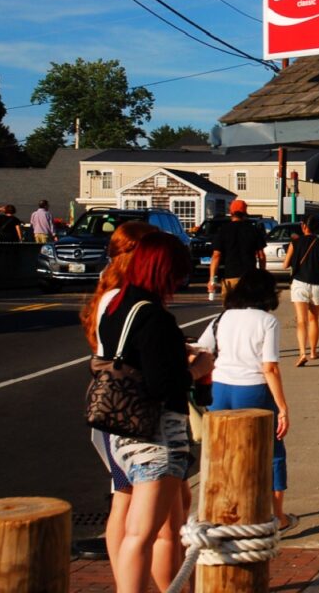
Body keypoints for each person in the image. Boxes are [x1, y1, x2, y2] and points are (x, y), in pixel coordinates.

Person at [97, 231, 214, 593]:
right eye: (177, 273)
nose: (180, 282)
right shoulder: (155, 318)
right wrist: (199, 366)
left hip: (123, 429)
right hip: (157, 436)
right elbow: (165, 383)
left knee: (143, 528)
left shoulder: (117, 306)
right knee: (144, 533)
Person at [81, 220, 158, 586]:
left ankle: (124, 578)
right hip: (131, 412)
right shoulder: (128, 298)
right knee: (144, 521)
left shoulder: (106, 295)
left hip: (110, 410)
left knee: (122, 498)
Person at [197, 268, 297, 532]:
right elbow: (270, 368)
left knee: (223, 450)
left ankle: (223, 511)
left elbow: (201, 348)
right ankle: (277, 516)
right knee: (273, 452)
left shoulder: (222, 317)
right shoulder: (267, 321)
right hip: (253, 389)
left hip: (220, 388)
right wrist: (283, 407)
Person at [282, 215, 319, 366]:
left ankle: (302, 353)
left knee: (301, 321)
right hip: (317, 284)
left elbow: (285, 265)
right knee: (313, 319)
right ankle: (313, 351)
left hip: (299, 284)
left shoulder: (295, 243)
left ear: (304, 226)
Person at [208, 199, 266, 300]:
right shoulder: (253, 230)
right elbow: (261, 256)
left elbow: (216, 255)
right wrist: (261, 274)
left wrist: (212, 279)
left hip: (230, 277)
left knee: (231, 310)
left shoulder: (223, 230)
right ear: (245, 213)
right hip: (249, 278)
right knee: (249, 308)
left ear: (231, 213)